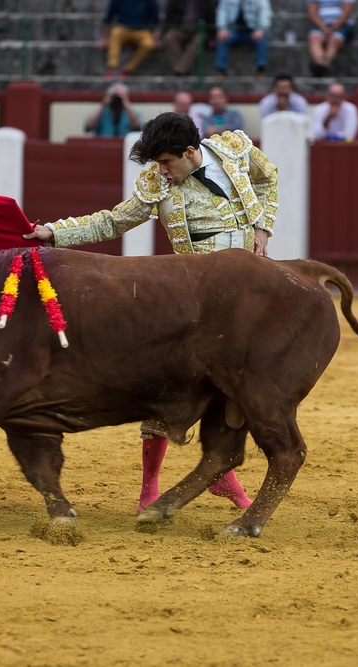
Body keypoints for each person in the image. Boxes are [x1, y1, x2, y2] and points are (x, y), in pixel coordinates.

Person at [22, 112, 280, 512]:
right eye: (158, 164)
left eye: (166, 162)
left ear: (191, 152)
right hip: (197, 304)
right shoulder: (157, 186)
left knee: (237, 390)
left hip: (247, 303)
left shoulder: (234, 149)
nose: (161, 171)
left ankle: (220, 475)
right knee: (169, 386)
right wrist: (54, 232)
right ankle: (151, 488)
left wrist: (263, 228)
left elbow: (268, 179)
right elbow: (112, 222)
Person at [101, 0, 160, 78]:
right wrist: (105, 38)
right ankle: (112, 67)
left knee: (149, 44)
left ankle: (128, 69)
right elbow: (108, 18)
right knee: (115, 33)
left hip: (142, 30)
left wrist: (156, 38)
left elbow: (155, 20)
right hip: (123, 28)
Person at [214, 0, 272, 76]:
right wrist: (222, 28)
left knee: (261, 39)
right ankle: (221, 69)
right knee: (222, 39)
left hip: (252, 31)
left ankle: (260, 69)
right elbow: (222, 11)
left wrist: (261, 29)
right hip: (234, 31)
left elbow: (265, 12)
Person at [163, 0, 218, 76]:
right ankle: (182, 70)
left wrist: (212, 36)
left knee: (199, 40)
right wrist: (163, 33)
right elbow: (168, 17)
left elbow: (212, 18)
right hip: (180, 28)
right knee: (169, 37)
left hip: (199, 30)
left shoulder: (207, 2)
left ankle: (179, 72)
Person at [307, 0, 356, 77]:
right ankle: (319, 64)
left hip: (342, 26)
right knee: (314, 38)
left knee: (334, 40)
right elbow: (312, 13)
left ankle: (324, 65)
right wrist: (323, 27)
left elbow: (347, 12)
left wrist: (333, 28)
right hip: (320, 26)